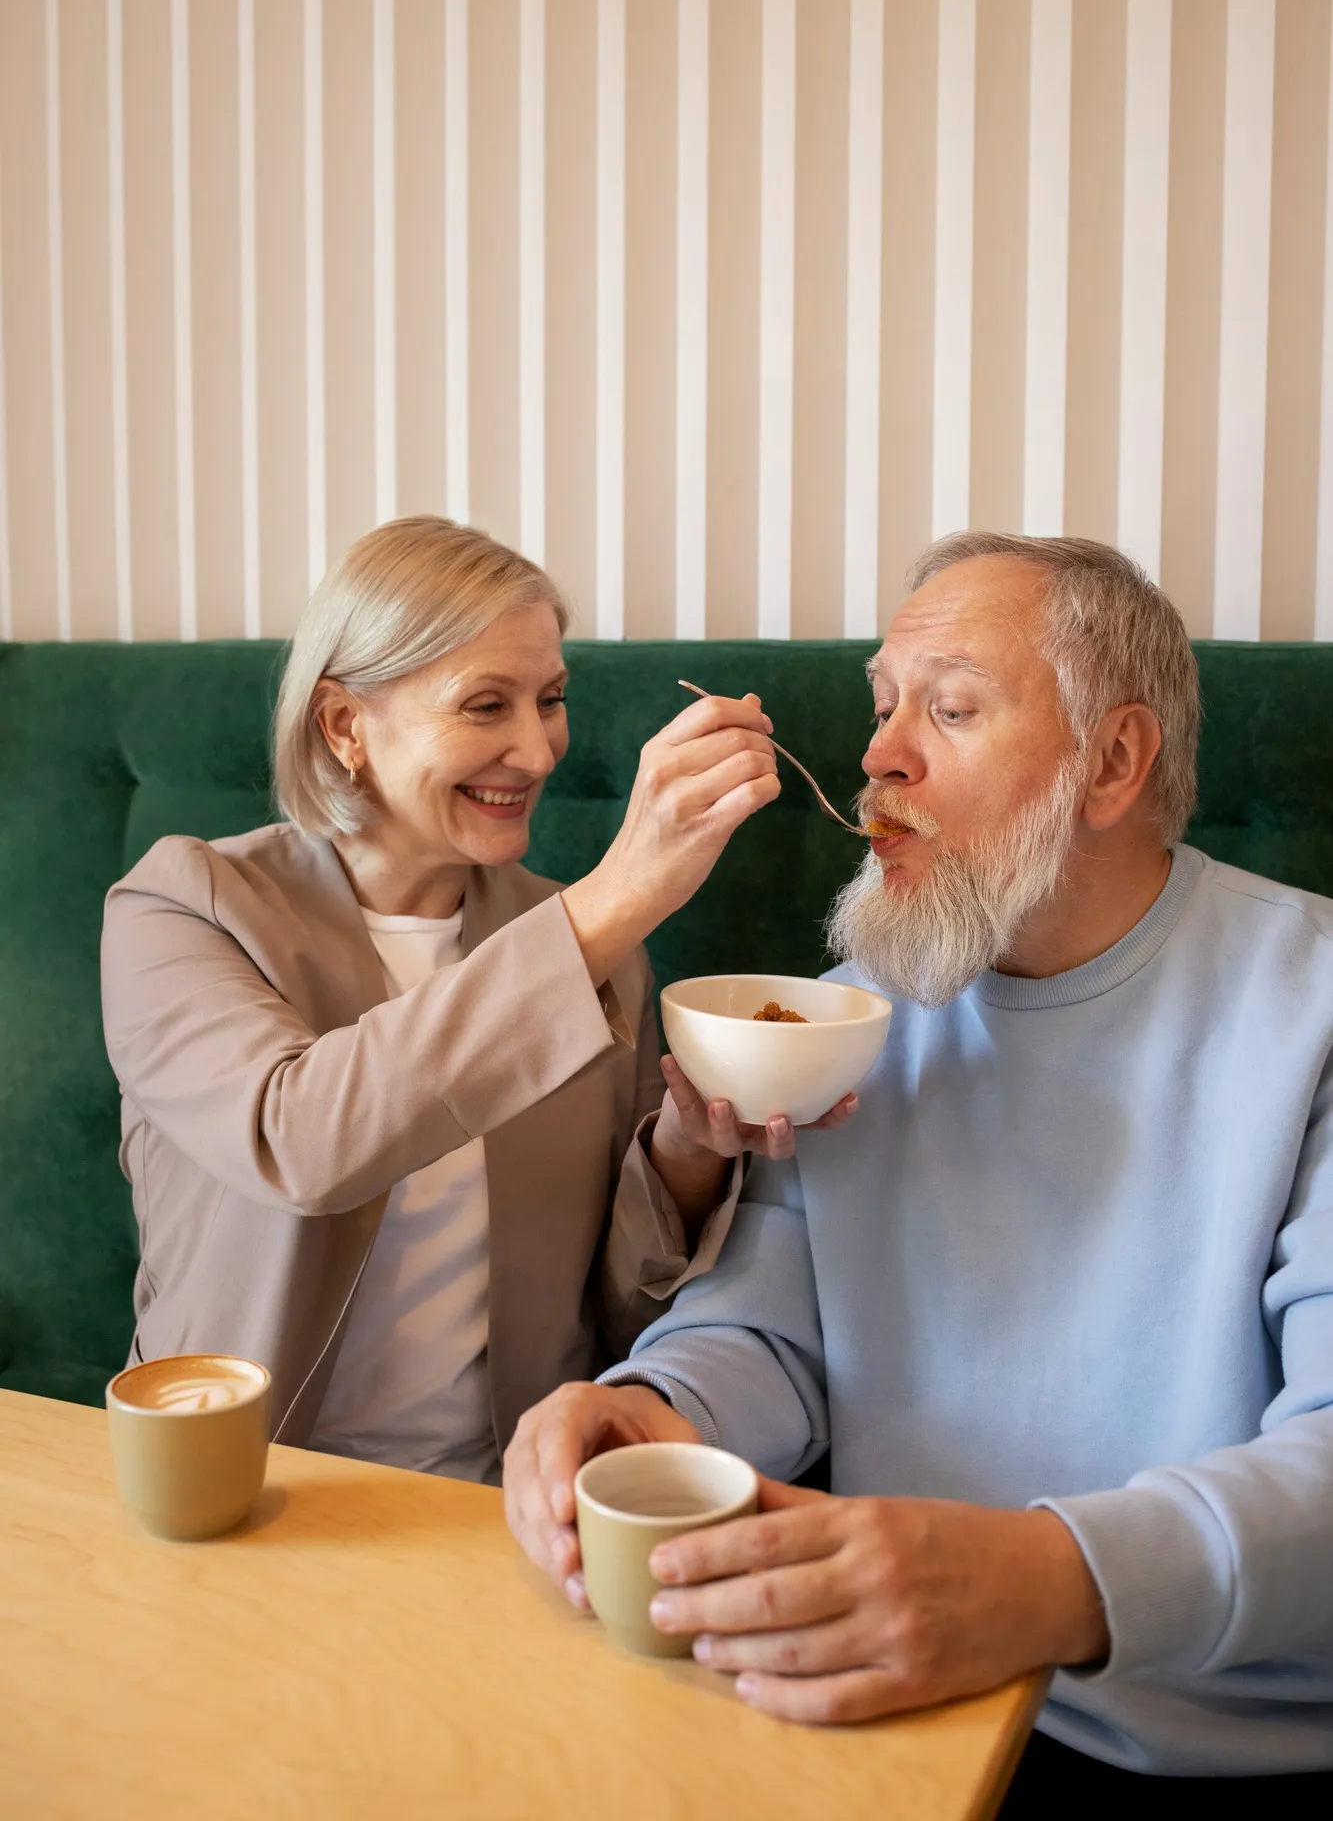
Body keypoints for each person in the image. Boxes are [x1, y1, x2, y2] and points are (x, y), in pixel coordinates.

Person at [505, 533, 1333, 1806]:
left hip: (1209, 1744)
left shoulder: (1312, 1008)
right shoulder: (844, 1016)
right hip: (885, 1707)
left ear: (1111, 761)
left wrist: (1039, 1580)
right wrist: (659, 1412)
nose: (879, 754)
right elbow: (770, 1327)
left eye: (948, 707)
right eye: (883, 703)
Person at [101, 515, 856, 1480]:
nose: (538, 752)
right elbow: (298, 1143)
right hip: (241, 1484)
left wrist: (687, 1151)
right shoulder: (184, 908)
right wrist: (620, 894)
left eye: (549, 700)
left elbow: (621, 1310)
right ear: (344, 726)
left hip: (502, 1498)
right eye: (484, 705)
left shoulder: (587, 944)